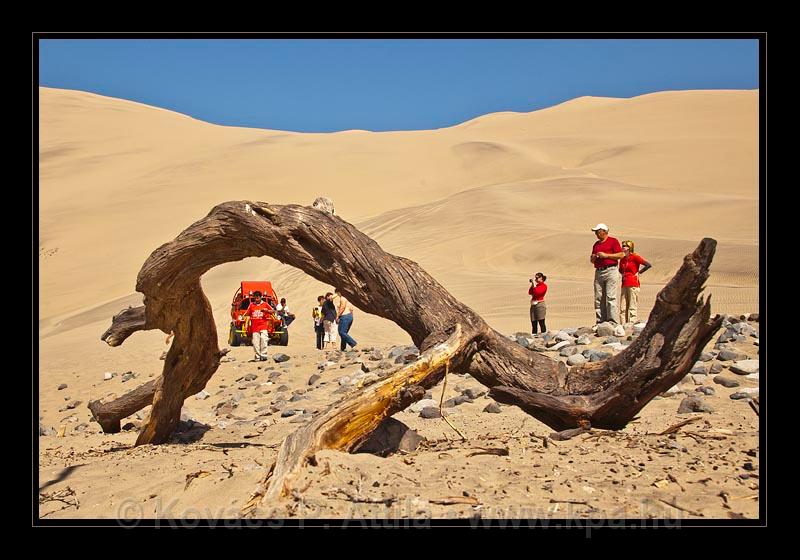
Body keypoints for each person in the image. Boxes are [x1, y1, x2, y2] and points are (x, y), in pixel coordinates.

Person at [589, 223, 624, 325]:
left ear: (604, 231)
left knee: (610, 296)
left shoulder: (613, 241)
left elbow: (621, 254)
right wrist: (594, 257)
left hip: (611, 270)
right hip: (599, 271)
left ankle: (612, 321)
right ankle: (600, 321)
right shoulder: (596, 244)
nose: (596, 234)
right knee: (598, 297)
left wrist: (606, 255)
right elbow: (591, 260)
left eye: (597, 231)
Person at [618, 240, 652, 324]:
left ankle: (631, 324)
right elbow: (620, 269)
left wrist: (639, 273)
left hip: (633, 284)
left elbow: (648, 265)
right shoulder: (622, 259)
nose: (623, 248)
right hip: (624, 284)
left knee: (632, 306)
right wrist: (623, 274)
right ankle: (623, 325)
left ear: (629, 248)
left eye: (625, 246)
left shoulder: (635, 257)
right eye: (622, 246)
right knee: (623, 307)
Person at [243, 290, 272, 361]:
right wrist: (245, 320)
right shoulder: (251, 305)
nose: (256, 299)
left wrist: (267, 311)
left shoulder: (265, 304)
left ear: (261, 297)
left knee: (264, 340)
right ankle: (257, 356)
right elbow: (247, 314)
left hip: (263, 326)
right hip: (255, 327)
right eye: (255, 298)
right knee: (255, 342)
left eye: (258, 298)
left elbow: (273, 311)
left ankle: (264, 355)